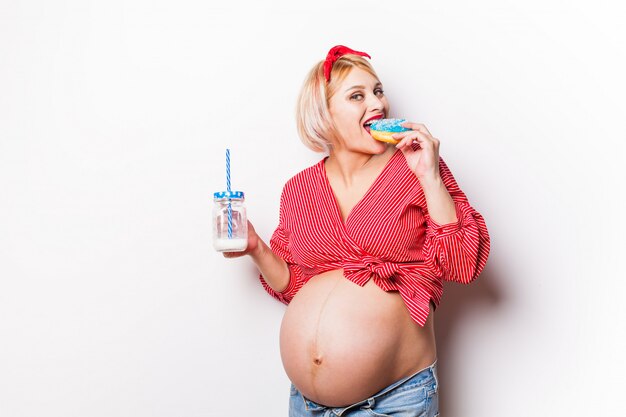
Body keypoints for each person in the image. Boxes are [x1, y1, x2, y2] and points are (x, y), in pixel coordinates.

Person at [223, 45, 490, 416]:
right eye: (357, 96)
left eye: (378, 92)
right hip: (307, 405)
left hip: (394, 401)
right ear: (324, 114)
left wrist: (429, 175)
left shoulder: (415, 169)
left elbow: (463, 263)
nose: (378, 105)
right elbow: (297, 286)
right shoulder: (300, 189)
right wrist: (256, 248)